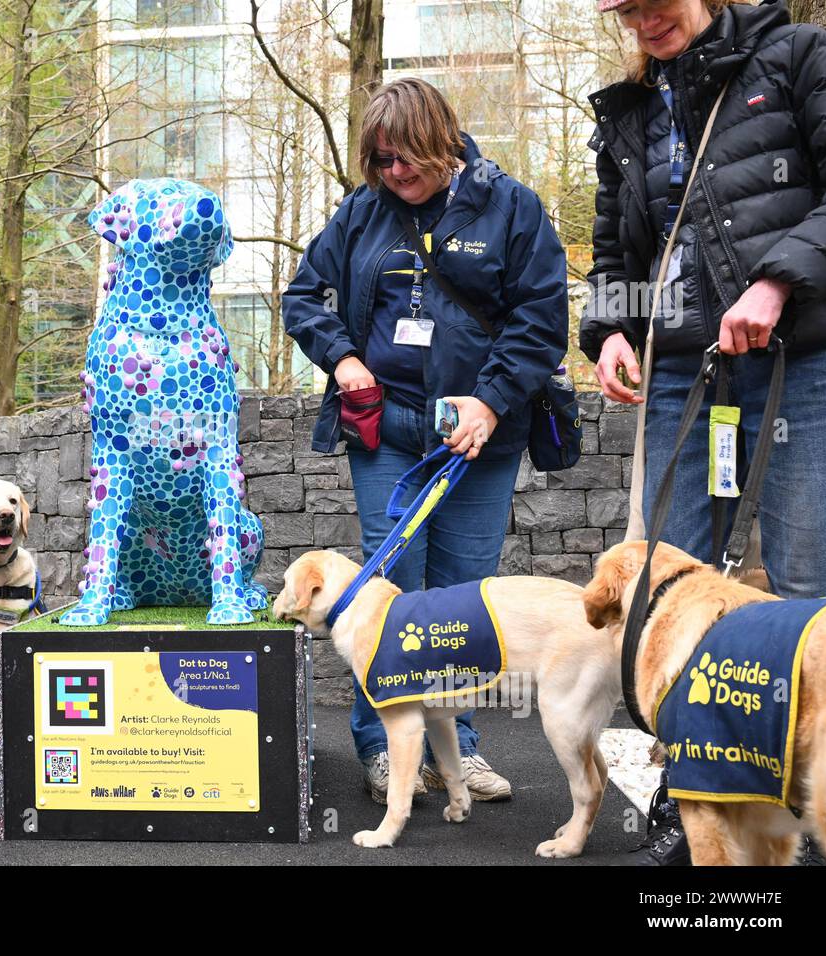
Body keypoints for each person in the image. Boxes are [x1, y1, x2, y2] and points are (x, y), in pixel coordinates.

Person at [581, 0, 826, 866]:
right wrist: (610, 330)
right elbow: (616, 252)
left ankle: (806, 799)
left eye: (654, 1)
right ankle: (686, 805)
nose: (642, 18)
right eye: (624, 7)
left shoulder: (799, 55)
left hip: (799, 353)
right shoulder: (629, 109)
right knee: (665, 595)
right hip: (687, 371)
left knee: (808, 584)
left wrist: (775, 282)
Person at [283, 78, 569, 806]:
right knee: (389, 589)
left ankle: (459, 750)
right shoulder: (361, 211)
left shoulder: (512, 207)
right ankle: (385, 747)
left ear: (441, 140)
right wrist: (343, 359)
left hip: (478, 435)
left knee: (462, 596)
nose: (393, 173)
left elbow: (540, 320)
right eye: (379, 161)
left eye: (403, 157)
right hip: (387, 430)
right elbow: (301, 296)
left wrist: (492, 399)